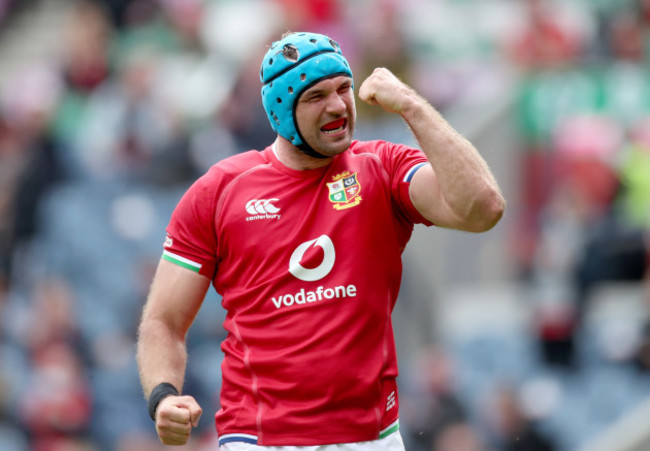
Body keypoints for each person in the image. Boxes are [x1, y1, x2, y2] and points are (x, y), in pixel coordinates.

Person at [136, 31, 505, 450]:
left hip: (371, 438)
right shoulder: (220, 191)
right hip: (259, 439)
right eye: (315, 96)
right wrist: (163, 396)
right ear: (281, 110)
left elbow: (483, 209)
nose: (337, 105)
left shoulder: (382, 167)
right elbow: (163, 321)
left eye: (344, 88)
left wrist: (412, 106)